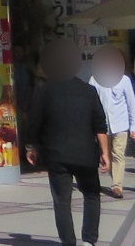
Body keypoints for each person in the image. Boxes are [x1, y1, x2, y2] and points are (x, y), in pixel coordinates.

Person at [24, 39, 109, 246]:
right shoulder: (88, 91)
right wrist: (104, 152)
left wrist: (30, 147)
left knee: (62, 201)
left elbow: (34, 122)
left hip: (56, 155)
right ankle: (89, 240)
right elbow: (100, 125)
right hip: (86, 154)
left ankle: (68, 242)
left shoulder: (44, 91)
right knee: (91, 195)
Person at [87, 47, 135, 199]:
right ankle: (114, 177)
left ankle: (117, 186)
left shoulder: (125, 80)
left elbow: (132, 104)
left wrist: (134, 127)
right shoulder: (94, 80)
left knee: (118, 154)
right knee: (106, 155)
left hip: (121, 124)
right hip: (102, 126)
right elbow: (90, 104)